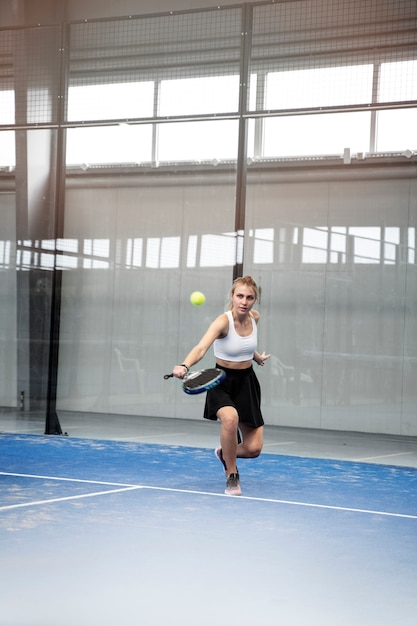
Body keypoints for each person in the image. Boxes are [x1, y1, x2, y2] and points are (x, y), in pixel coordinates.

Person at [172, 275, 270, 496]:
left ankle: (224, 453)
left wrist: (255, 357)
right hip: (221, 381)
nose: (244, 301)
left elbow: (243, 344)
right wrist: (184, 365)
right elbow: (200, 348)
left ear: (255, 300)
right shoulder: (222, 322)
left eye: (250, 297)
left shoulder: (255, 317)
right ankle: (232, 474)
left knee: (254, 449)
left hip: (247, 382)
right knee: (230, 418)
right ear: (232, 297)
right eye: (240, 296)